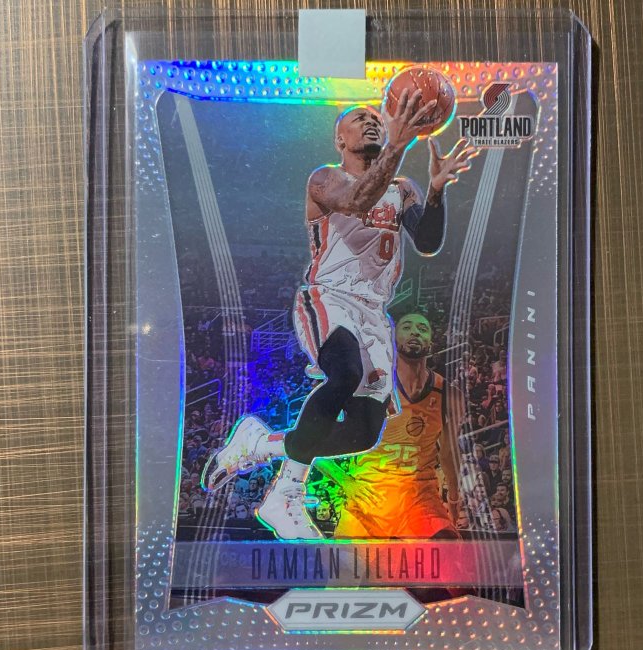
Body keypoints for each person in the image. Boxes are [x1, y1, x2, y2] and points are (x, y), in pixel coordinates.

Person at [204, 94, 477, 539]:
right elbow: (355, 201)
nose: (371, 121)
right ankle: (286, 494)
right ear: (340, 139)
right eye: (359, 118)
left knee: (364, 433)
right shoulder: (325, 178)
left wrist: (435, 190)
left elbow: (428, 242)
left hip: (374, 311)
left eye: (375, 118)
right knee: (345, 372)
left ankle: (259, 445)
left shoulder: (403, 188)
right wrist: (398, 146)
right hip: (329, 296)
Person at [314, 313, 464, 539]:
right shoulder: (364, 385)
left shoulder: (449, 394)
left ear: (431, 342)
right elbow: (310, 439)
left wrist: (453, 498)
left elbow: (449, 454)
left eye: (422, 328)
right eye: (407, 327)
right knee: (345, 561)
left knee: (449, 551)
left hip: (420, 505)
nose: (415, 332)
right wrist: (346, 482)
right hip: (366, 503)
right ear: (393, 339)